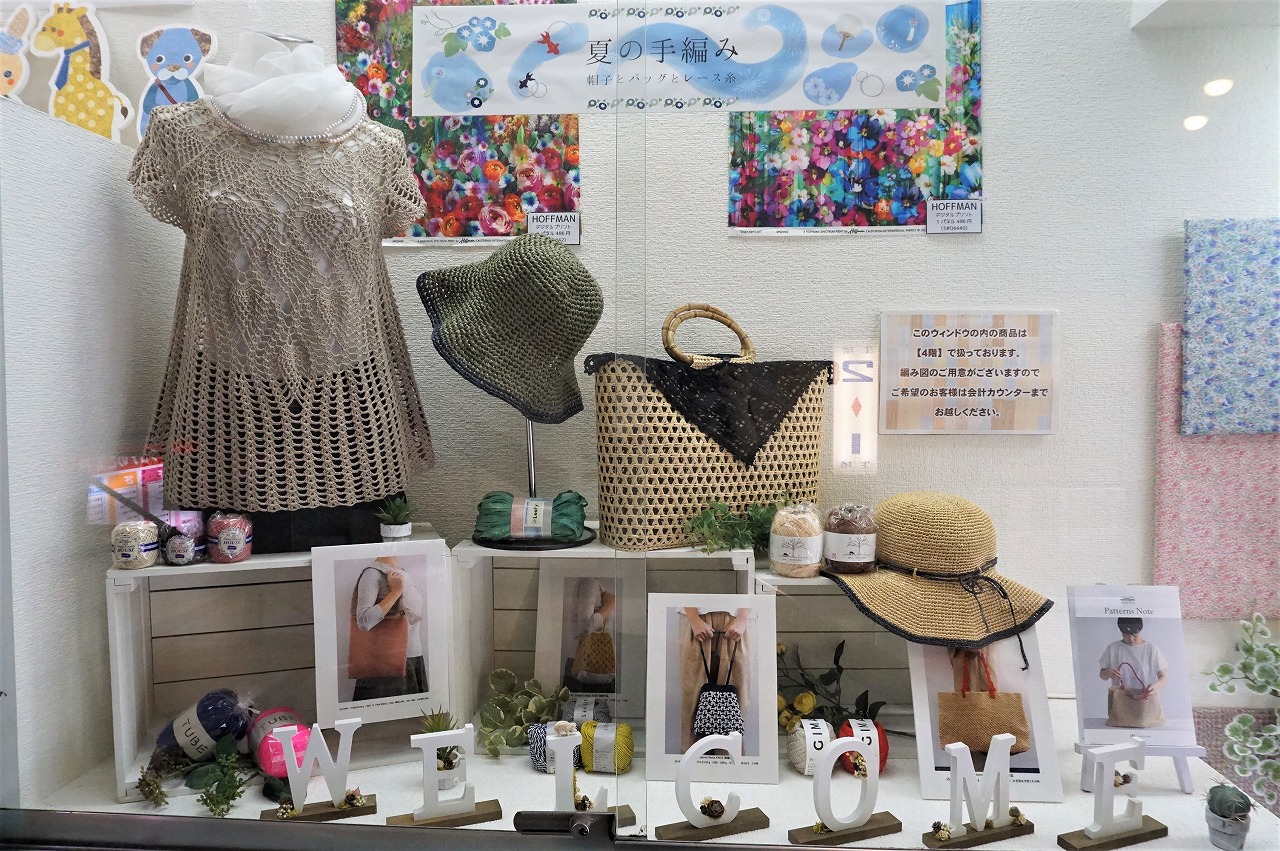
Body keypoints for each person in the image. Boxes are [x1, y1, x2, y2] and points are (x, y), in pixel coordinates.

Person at [678, 606, 752, 752]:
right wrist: (693, 618)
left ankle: (730, 760)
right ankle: (692, 758)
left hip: (736, 618)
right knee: (691, 700)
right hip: (696, 617)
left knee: (737, 697)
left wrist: (742, 618)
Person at [350, 556, 425, 700]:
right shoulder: (373, 574)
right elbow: (364, 621)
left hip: (413, 659)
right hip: (387, 665)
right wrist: (395, 592)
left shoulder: (400, 572)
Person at [563, 577, 617, 690]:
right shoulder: (589, 583)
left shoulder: (594, 584)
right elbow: (586, 627)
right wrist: (609, 605)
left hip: (597, 663)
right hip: (588, 664)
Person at [1099, 617, 1168, 703]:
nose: (1131, 639)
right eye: (1125, 635)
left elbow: (1163, 677)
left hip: (1146, 700)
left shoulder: (1151, 649)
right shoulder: (1113, 648)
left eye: (1135, 635)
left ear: (1140, 631)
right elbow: (1102, 675)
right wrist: (1107, 673)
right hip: (1121, 702)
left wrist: (1155, 686)